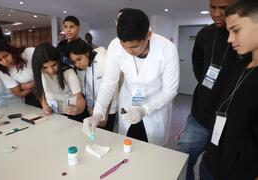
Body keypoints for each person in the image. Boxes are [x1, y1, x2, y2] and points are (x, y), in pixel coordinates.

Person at [83, 8, 179, 146]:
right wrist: (98, 113)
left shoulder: (167, 49)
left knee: (151, 149)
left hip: (155, 105)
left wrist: (145, 109)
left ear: (148, 35)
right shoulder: (115, 45)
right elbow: (109, 83)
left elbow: (170, 91)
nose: (129, 51)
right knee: (127, 144)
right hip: (128, 101)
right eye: (124, 46)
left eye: (134, 47)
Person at [176, 0, 237, 179]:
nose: (217, 13)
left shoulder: (248, 38)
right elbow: (197, 62)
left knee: (210, 169)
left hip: (228, 122)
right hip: (199, 116)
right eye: (213, 7)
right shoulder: (205, 34)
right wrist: (207, 84)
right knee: (182, 161)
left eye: (224, 8)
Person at [200, 0, 258, 179]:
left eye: (236, 30)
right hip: (212, 161)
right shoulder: (241, 65)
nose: (229, 38)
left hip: (237, 173)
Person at [67, 38, 118, 131]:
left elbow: (111, 90)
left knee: (106, 135)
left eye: (79, 59)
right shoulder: (81, 68)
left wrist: (103, 114)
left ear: (86, 53)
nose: (78, 64)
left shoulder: (104, 60)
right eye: (74, 62)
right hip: (93, 109)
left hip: (108, 109)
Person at [32, 42, 89, 121]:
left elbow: (80, 98)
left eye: (54, 65)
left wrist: (77, 109)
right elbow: (39, 90)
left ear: (59, 61)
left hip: (74, 115)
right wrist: (44, 105)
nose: (51, 70)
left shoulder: (68, 72)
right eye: (45, 67)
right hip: (55, 114)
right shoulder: (40, 73)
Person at [0, 39, 41, 108]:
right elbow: (20, 93)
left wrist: (24, 86)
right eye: (0, 60)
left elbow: (50, 70)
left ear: (11, 50)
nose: (5, 61)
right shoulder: (3, 70)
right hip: (34, 97)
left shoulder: (30, 52)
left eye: (6, 56)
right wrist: (36, 84)